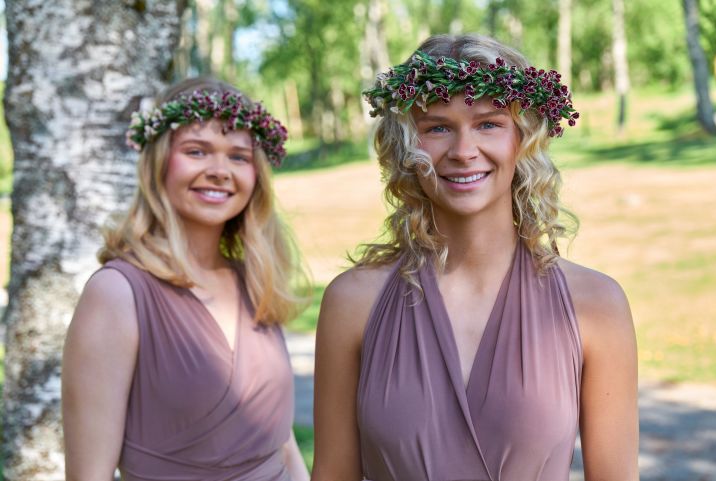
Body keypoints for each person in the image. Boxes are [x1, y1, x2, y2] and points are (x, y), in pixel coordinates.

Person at [312, 34, 638, 481]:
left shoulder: (596, 305)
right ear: (408, 146)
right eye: (437, 127)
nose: (464, 152)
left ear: (522, 140)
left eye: (489, 124)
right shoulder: (353, 302)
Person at [62, 78, 310, 481]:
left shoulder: (256, 282)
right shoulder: (117, 294)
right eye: (197, 151)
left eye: (238, 157)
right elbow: (89, 475)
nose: (218, 171)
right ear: (159, 162)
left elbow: (282, 445)